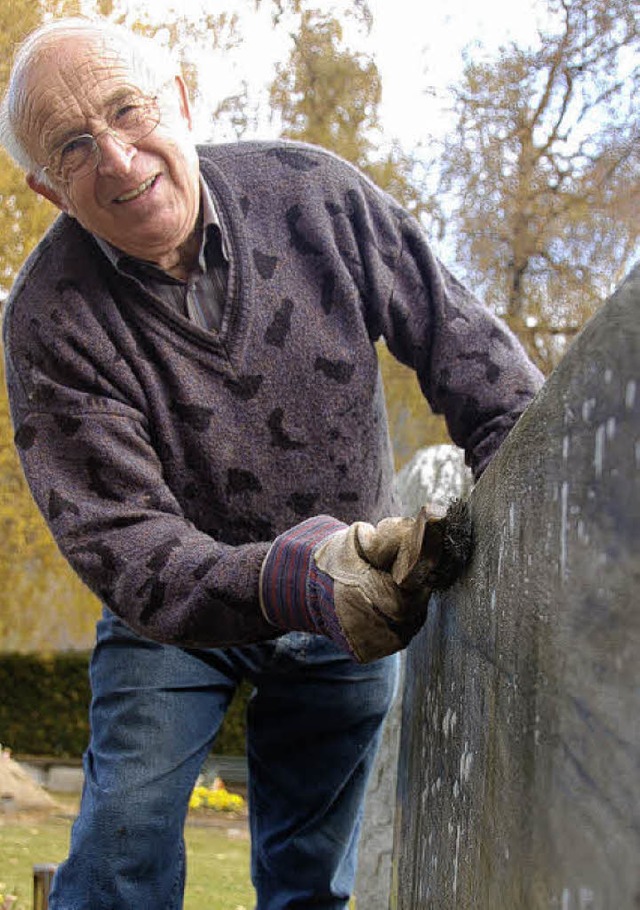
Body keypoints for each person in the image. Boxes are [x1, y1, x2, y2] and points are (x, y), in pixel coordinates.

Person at [0, 16, 544, 910]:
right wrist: (287, 579)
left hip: (360, 602)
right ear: (47, 189)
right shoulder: (49, 320)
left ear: (179, 97)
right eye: (73, 146)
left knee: (309, 879)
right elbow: (126, 544)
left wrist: (528, 539)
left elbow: (473, 361)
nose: (121, 160)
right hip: (170, 625)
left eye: (129, 111)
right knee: (118, 853)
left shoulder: (313, 196)